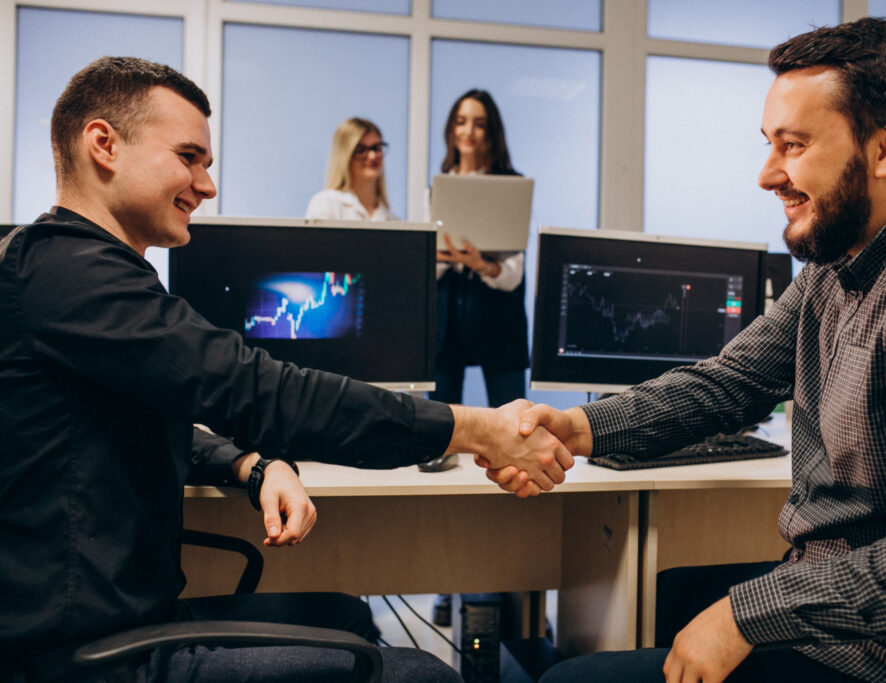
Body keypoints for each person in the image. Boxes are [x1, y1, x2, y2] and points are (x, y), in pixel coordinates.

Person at [0, 56, 572, 682]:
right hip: (87, 659)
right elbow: (258, 390)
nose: (207, 184)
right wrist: (473, 428)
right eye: (189, 158)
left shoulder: (72, 272)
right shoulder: (66, 276)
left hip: (122, 620)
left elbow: (124, 420)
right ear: (103, 144)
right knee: (422, 673)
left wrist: (251, 463)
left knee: (346, 616)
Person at [492, 17, 886, 683]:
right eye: (770, 144)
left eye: (793, 146)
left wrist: (746, 614)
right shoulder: (846, 257)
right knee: (659, 604)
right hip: (834, 606)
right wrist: (578, 426)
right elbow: (729, 383)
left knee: (572, 680)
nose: (767, 174)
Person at [430, 89, 529, 409]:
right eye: (461, 122)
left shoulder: (512, 185)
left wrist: (481, 264)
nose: (468, 132)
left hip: (499, 321)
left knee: (513, 421)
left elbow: (514, 274)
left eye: (479, 124)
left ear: (492, 132)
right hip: (446, 325)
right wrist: (445, 258)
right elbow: (424, 268)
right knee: (442, 425)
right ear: (451, 129)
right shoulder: (436, 189)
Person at [305, 117, 398, 221]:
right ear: (345, 156)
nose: (372, 156)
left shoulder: (393, 220)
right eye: (360, 150)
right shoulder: (326, 203)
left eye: (376, 148)